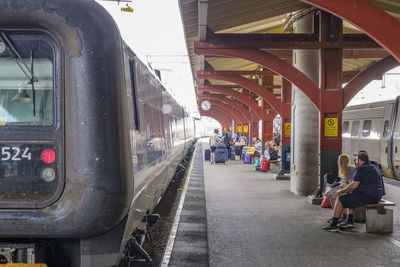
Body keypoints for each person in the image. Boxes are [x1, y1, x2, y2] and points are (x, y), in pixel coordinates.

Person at [323, 151, 384, 232]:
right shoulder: (372, 167)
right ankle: (349, 221)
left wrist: (341, 191)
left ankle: (334, 224)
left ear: (360, 160)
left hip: (367, 196)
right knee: (350, 195)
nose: (355, 161)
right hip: (376, 195)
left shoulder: (361, 169)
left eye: (356, 159)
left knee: (340, 198)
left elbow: (354, 185)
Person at [325, 154, 355, 223]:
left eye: (339, 160)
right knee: (330, 194)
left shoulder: (352, 168)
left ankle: (343, 216)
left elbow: (353, 181)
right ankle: (336, 215)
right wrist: (336, 182)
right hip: (343, 185)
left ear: (342, 161)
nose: (338, 161)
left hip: (349, 186)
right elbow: (342, 180)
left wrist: (343, 184)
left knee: (340, 196)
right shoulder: (341, 169)